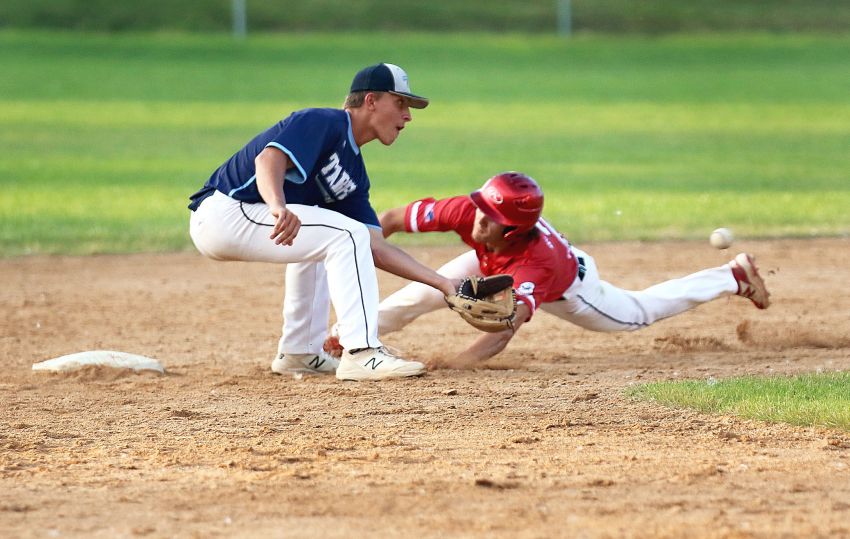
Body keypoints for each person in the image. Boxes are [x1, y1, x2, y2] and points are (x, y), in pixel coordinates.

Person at [187, 63, 459, 381]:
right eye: (400, 103)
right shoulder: (323, 121)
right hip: (226, 211)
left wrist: (443, 284)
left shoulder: (353, 175)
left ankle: (299, 352)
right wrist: (277, 206)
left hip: (243, 218)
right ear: (370, 101)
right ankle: (362, 352)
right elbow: (268, 159)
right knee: (345, 233)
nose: (408, 116)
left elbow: (374, 246)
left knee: (335, 239)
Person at [371, 172, 771, 369]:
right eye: (483, 206)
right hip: (495, 257)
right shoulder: (470, 212)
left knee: (638, 313)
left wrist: (451, 368)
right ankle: (347, 338)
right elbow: (388, 218)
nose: (479, 218)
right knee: (424, 291)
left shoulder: (537, 265)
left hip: (571, 287)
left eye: (491, 216)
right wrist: (361, 244)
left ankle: (731, 277)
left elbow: (505, 329)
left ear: (512, 229)